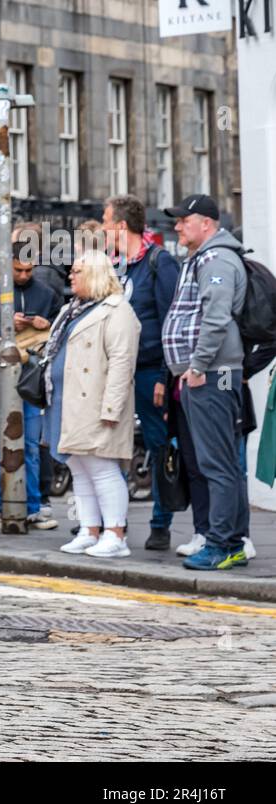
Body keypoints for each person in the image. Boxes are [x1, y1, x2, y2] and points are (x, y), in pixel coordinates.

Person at [160, 195, 251, 570]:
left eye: (184, 220)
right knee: (223, 462)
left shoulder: (218, 260)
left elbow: (216, 318)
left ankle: (222, 544)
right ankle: (234, 542)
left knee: (216, 464)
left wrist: (196, 366)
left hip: (212, 375)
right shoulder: (203, 258)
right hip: (209, 374)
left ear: (207, 224)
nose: (177, 227)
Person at [47, 251, 141, 558]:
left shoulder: (118, 310)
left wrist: (112, 408)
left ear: (97, 274)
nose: (71, 276)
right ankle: (89, 530)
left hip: (95, 403)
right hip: (67, 401)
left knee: (101, 468)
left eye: (77, 271)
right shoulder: (73, 309)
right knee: (79, 468)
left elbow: (121, 363)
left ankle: (116, 534)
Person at [102, 195, 181, 550]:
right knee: (108, 445)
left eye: (105, 222)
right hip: (118, 372)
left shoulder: (158, 263)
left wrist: (165, 375)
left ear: (120, 226)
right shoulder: (116, 266)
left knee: (157, 444)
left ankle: (161, 523)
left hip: (150, 372)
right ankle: (108, 523)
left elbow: (170, 322)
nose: (103, 228)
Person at [0, 242, 62, 529]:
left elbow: (60, 332)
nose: (24, 275)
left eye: (29, 270)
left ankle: (32, 506)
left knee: (29, 445)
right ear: (8, 266)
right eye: (18, 270)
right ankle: (4, 504)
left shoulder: (47, 294)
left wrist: (46, 323)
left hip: (32, 377)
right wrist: (4, 327)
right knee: (2, 445)